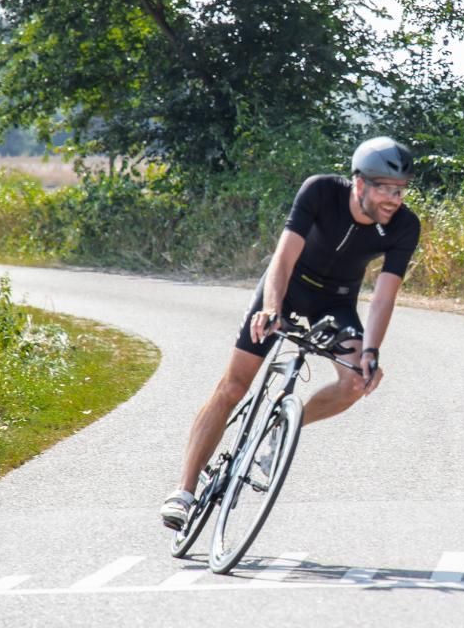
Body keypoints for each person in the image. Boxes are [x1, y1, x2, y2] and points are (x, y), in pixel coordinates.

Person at [160, 136, 420, 530]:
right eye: (385, 188)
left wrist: (371, 351)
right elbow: (284, 253)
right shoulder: (320, 191)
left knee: (355, 383)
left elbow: (384, 296)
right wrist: (271, 307)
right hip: (286, 288)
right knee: (233, 386)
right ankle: (184, 491)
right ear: (360, 183)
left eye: (400, 190)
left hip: (336, 303)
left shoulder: (404, 225)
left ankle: (284, 428)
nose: (394, 199)